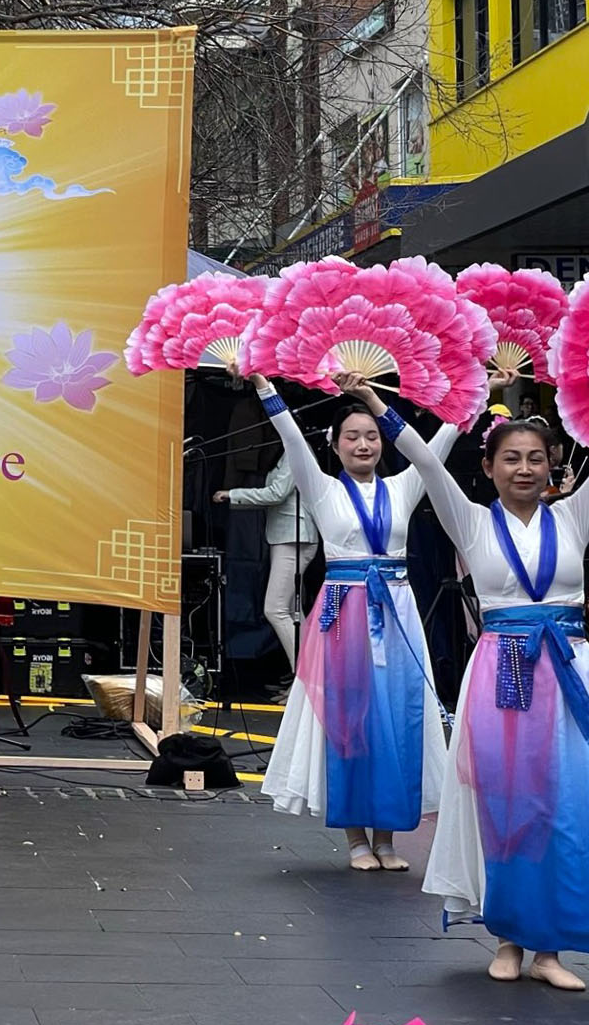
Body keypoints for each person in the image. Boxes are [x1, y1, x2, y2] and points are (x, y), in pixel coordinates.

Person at [347, 375, 589, 991]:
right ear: (488, 466)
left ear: (553, 463)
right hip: (504, 671)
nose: (524, 469)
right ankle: (507, 937)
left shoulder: (573, 516)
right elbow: (425, 459)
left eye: (536, 458)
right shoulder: (473, 522)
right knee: (506, 806)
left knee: (565, 808)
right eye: (511, 458)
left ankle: (550, 949)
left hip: (568, 671)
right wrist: (373, 401)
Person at [245, 369, 456, 871]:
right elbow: (289, 436)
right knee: (348, 723)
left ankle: (387, 839)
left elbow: (436, 450)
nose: (363, 445)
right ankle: (357, 840)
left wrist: (469, 403)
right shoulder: (321, 489)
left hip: (397, 611)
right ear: (334, 444)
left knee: (398, 720)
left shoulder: (404, 487)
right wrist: (263, 387)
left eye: (371, 436)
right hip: (344, 612)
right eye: (352, 437)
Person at [216, 444, 321, 689]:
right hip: (289, 536)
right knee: (292, 612)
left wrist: (232, 494)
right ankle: (309, 680)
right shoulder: (288, 451)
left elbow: (277, 493)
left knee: (275, 609)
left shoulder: (296, 449)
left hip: (294, 537)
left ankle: (305, 684)